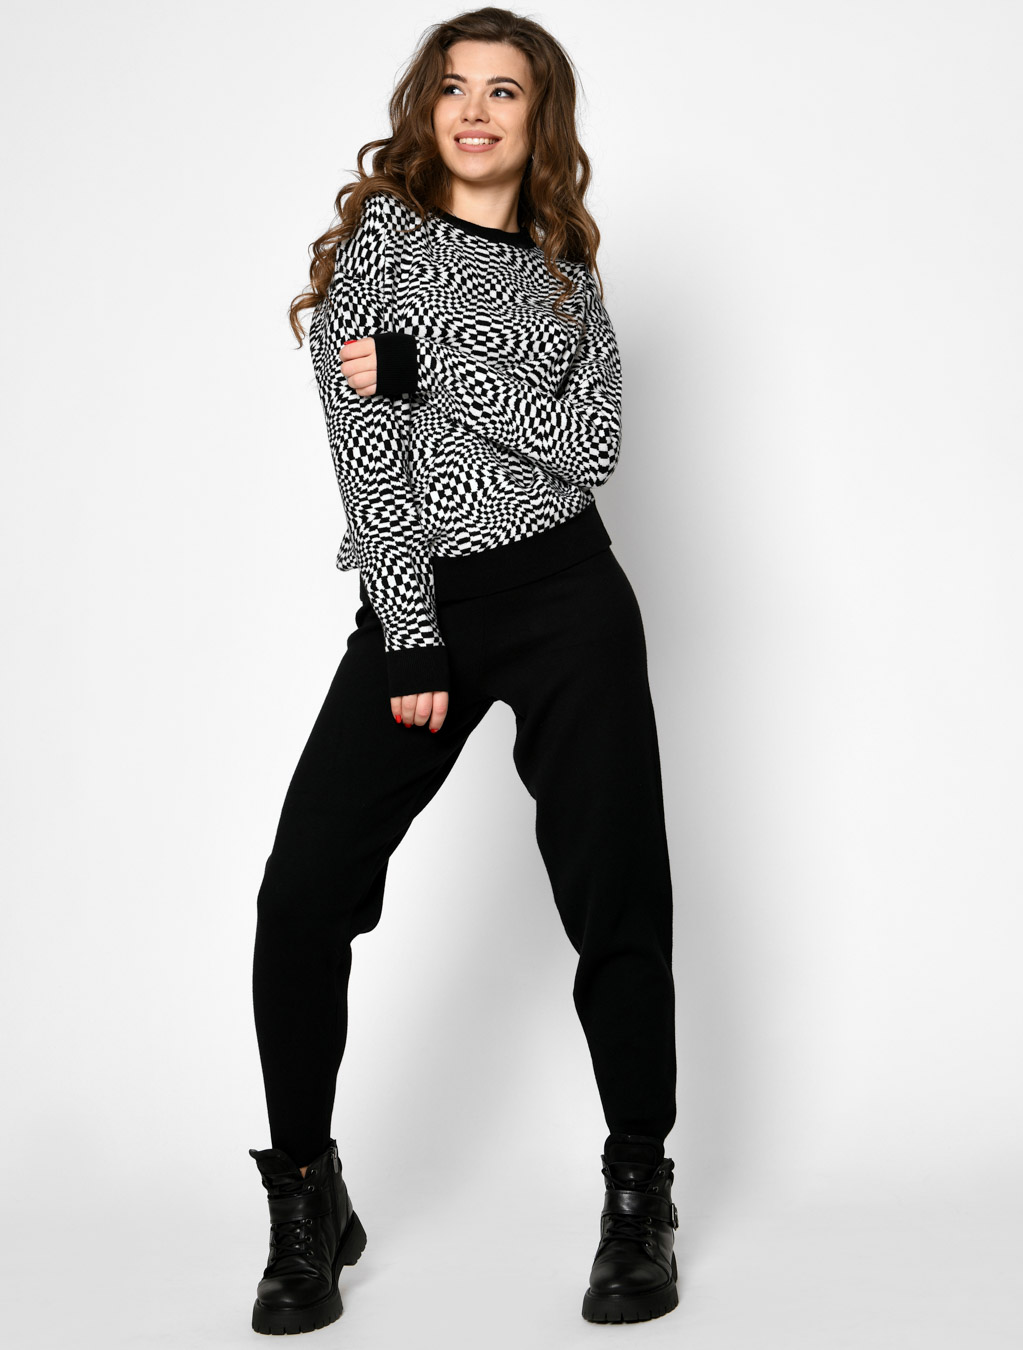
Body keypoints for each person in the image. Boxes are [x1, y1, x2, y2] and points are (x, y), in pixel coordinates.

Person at [247, 6, 679, 1334]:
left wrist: (433, 364)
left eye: (504, 90)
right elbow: (368, 455)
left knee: (617, 893)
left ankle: (637, 1190)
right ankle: (306, 1195)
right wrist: (412, 632)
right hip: (424, 604)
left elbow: (590, 449)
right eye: (453, 87)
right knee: (304, 894)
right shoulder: (377, 249)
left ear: (539, 120)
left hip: (572, 597)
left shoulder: (567, 272)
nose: (476, 110)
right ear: (423, 110)